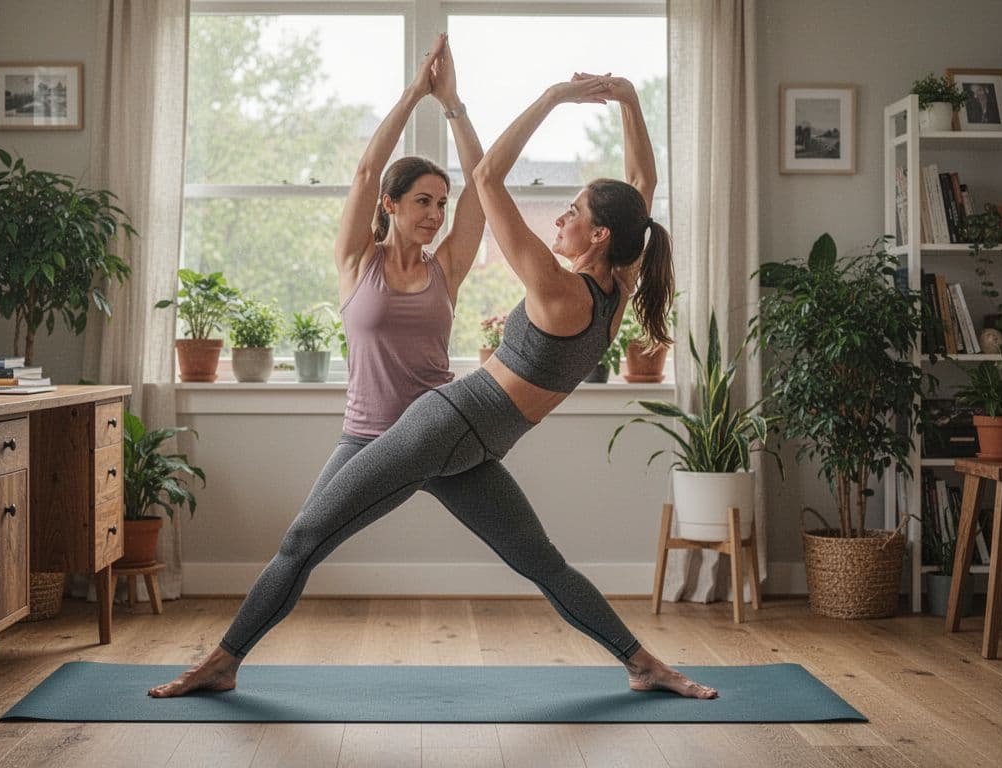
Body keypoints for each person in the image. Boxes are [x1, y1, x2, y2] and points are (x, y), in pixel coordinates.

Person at [150, 72, 717, 701]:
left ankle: (642, 664)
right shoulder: (618, 288)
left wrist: (554, 97)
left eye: (575, 213)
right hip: (458, 431)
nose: (562, 218)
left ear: (602, 235)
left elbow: (488, 182)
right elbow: (641, 188)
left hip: (453, 430)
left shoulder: (560, 288)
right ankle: (225, 661)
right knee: (333, 542)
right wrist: (631, 103)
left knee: (325, 542)